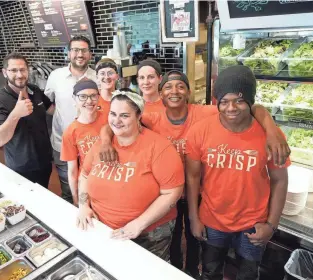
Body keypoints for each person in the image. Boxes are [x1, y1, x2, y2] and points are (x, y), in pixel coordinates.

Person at [99, 70, 290, 277]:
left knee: (239, 268)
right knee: (194, 257)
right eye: (225, 101)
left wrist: (271, 128)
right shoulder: (156, 119)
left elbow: (253, 109)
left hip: (231, 211)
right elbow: (120, 118)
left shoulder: (207, 115)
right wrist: (104, 140)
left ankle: (190, 270)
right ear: (160, 93)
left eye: (180, 86)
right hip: (187, 205)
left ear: (189, 92)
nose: (231, 107)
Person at [185, 65, 290, 280]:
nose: (231, 107)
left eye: (239, 101)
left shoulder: (271, 135)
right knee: (210, 272)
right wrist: (194, 218)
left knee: (248, 275)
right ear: (217, 102)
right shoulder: (200, 131)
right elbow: (193, 177)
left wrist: (271, 225)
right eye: (224, 101)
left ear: (250, 102)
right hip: (212, 220)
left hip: (253, 225)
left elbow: (279, 180)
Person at [76, 90, 184, 261]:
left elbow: (172, 192)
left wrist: (138, 224)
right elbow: (84, 176)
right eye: (113, 114)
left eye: (124, 116)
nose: (116, 121)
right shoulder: (102, 144)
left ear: (139, 115)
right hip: (103, 228)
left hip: (149, 234)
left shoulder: (159, 147)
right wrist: (83, 206)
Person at [0, 52, 53, 188]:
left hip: (44, 161)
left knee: (43, 197)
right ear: (5, 72)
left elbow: (51, 109)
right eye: (13, 70)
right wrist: (16, 114)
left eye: (22, 69)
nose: (19, 75)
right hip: (21, 167)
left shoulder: (34, 91)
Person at [44, 35, 97, 202]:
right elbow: (47, 103)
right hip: (62, 144)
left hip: (92, 146)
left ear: (90, 54)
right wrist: (62, 116)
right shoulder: (56, 76)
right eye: (75, 50)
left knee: (95, 188)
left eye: (83, 50)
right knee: (68, 189)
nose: (79, 54)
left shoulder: (98, 77)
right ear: (68, 53)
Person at [60, 79, 106, 206]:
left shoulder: (109, 119)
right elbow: (72, 171)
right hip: (88, 184)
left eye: (93, 96)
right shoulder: (70, 132)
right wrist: (76, 199)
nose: (89, 101)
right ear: (75, 99)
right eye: (83, 97)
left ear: (98, 97)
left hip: (110, 180)